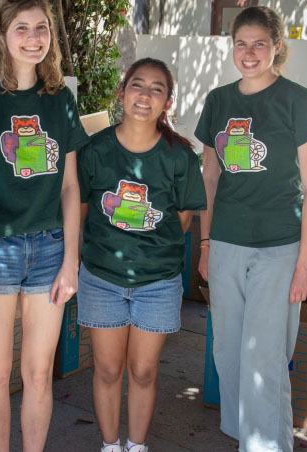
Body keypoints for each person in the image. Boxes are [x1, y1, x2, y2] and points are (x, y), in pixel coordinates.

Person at [0, 0, 89, 452]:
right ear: (3, 34)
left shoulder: (60, 100)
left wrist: (71, 261)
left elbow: (70, 186)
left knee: (37, 373)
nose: (33, 38)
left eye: (41, 28)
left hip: (50, 247)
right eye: (22, 28)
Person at [195, 6, 307, 452]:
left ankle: (267, 446)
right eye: (241, 43)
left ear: (276, 47)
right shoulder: (217, 101)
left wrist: (305, 264)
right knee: (228, 355)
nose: (249, 53)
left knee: (263, 359)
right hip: (227, 242)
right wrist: (206, 243)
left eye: (259, 44)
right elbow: (209, 179)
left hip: (279, 248)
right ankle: (243, 437)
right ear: (231, 46)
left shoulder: (298, 100)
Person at [77, 57, 206, 452]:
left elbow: (184, 218)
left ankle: (137, 446)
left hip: (158, 281)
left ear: (167, 101)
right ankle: (110, 445)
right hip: (102, 278)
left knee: (145, 371)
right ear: (122, 91)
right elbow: (80, 212)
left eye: (157, 89)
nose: (145, 95)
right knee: (108, 369)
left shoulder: (180, 156)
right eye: (137, 84)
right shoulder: (95, 149)